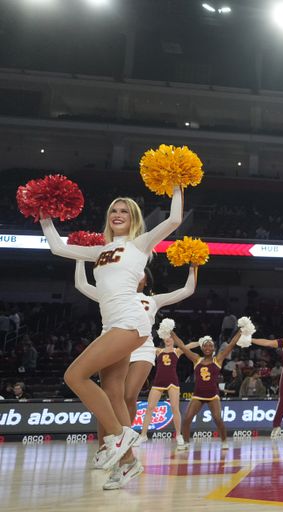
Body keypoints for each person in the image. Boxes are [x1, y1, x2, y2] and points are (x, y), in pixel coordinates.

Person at [40, 187, 183, 489]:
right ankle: (128, 463)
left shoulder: (140, 244)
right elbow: (57, 248)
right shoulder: (99, 251)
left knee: (74, 375)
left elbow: (173, 219)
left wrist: (177, 185)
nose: (118, 215)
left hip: (130, 322)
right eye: (113, 211)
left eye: (124, 211)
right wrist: (44, 215)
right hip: (111, 326)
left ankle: (119, 435)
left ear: (133, 220)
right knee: (113, 392)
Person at [75, 262, 197, 452]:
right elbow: (82, 285)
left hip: (142, 347)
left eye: (141, 273)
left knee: (129, 395)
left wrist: (193, 266)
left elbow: (188, 290)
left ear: (146, 281)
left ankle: (124, 442)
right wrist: (79, 258)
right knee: (108, 396)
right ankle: (103, 448)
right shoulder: (112, 295)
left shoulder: (153, 300)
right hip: (114, 345)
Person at [172, 330, 240, 450]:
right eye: (205, 345)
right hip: (198, 395)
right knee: (187, 419)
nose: (208, 347)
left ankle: (224, 441)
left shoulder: (218, 359)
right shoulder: (196, 359)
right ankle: (186, 443)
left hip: (213, 395)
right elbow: (182, 346)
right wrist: (171, 332)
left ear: (214, 348)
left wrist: (242, 330)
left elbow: (231, 344)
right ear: (202, 348)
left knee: (218, 419)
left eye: (210, 345)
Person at [139, 330, 198, 451]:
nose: (168, 339)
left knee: (175, 408)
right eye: (166, 337)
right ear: (163, 338)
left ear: (173, 340)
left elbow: (189, 345)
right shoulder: (158, 351)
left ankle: (178, 435)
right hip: (158, 382)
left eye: (170, 337)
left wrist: (201, 342)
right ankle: (143, 435)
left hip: (172, 382)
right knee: (150, 407)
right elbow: (145, 346)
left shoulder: (177, 351)